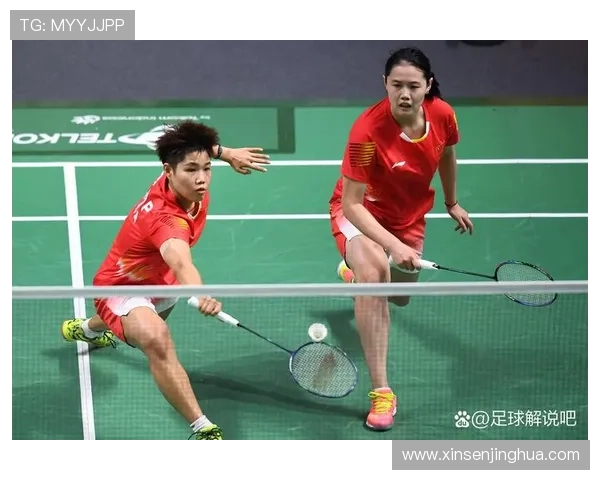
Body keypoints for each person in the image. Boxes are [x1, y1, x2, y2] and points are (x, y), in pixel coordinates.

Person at [61, 120, 270, 440]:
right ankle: (203, 428)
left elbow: (191, 147)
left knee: (141, 323)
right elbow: (182, 262)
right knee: (157, 339)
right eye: (191, 170)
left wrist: (226, 154)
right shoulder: (165, 220)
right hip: (121, 287)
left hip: (161, 280)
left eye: (207, 169)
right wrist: (201, 294)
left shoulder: (181, 176)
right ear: (168, 171)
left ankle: (89, 329)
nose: (201, 179)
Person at [328, 47, 473, 432]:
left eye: (413, 86)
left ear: (428, 85)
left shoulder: (443, 115)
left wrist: (452, 201)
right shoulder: (367, 131)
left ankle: (354, 275)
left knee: (400, 296)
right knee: (376, 277)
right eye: (396, 85)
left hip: (408, 215)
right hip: (362, 212)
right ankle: (382, 391)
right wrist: (391, 246)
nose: (404, 94)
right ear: (385, 84)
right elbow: (351, 204)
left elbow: (447, 155)